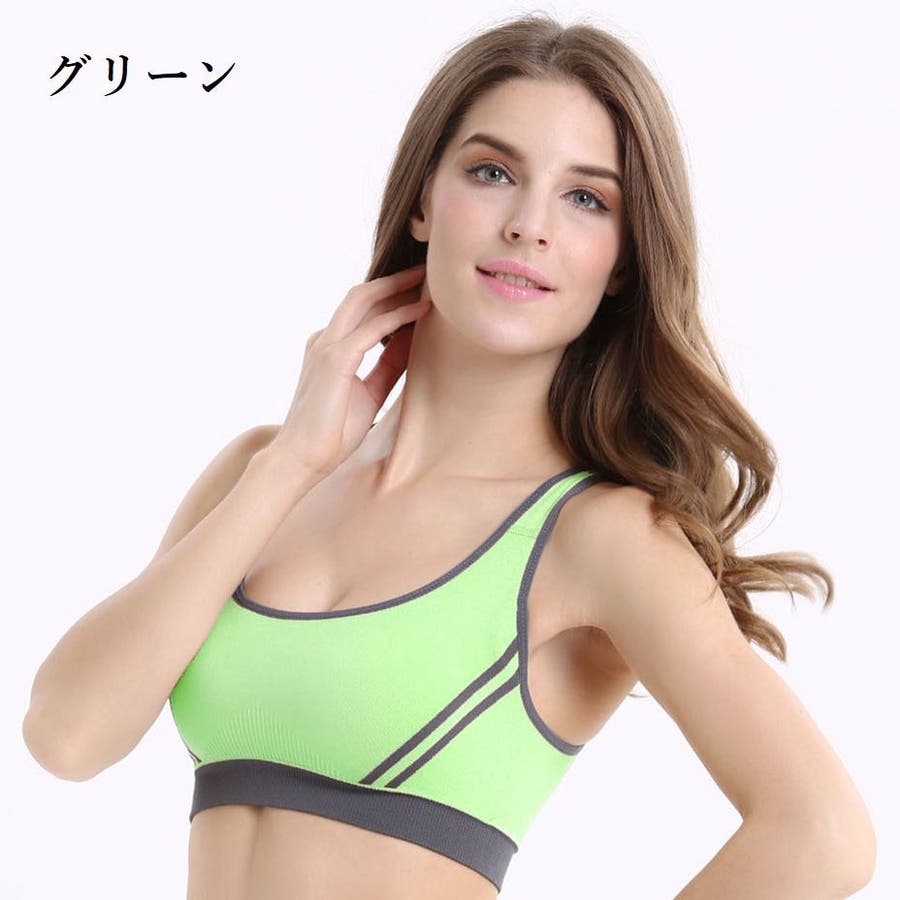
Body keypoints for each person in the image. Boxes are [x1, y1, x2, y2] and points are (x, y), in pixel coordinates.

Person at [22, 12, 876, 900]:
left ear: (622, 261)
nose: (529, 226)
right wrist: (293, 463)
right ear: (424, 201)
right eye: (493, 172)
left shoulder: (601, 536)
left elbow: (821, 834)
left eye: (586, 199)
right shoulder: (261, 473)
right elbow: (67, 738)